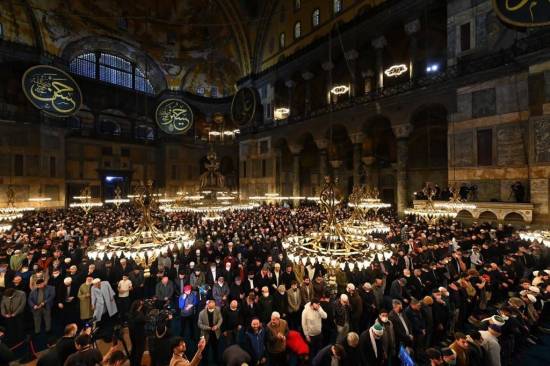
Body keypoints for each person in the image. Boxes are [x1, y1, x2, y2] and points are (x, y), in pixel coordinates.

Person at [128, 300, 146, 366]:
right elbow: (145, 319)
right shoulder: (140, 316)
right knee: (139, 353)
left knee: (134, 351)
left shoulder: (130, 314)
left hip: (133, 338)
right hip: (140, 338)